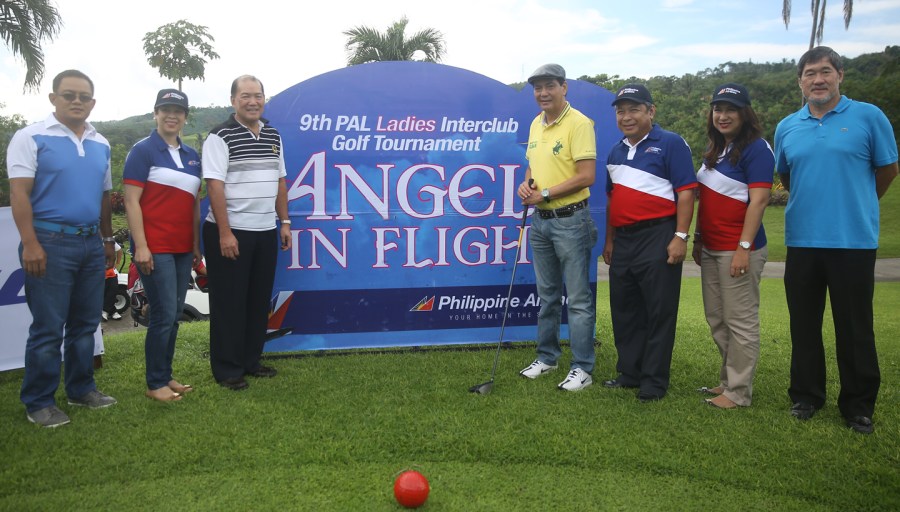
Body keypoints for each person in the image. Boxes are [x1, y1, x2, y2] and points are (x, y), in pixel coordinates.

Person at [774, 46, 898, 434]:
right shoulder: (788, 126)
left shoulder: (868, 117)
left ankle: (857, 405)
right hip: (803, 241)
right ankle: (806, 396)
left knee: (854, 326)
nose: (818, 79)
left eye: (825, 71)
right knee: (804, 324)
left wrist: (856, 202)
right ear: (800, 81)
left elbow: (888, 170)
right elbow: (787, 178)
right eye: (810, 73)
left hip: (853, 241)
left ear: (840, 75)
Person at [7, 69, 117, 427]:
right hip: (49, 242)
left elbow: (104, 197)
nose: (76, 101)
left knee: (86, 324)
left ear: (93, 102)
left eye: (84, 96)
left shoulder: (101, 143)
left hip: (89, 242)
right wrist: (30, 243)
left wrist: (107, 238)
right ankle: (39, 401)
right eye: (69, 95)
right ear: (53, 98)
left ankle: (81, 389)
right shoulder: (31, 137)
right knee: (49, 327)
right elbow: (19, 193)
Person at [602, 84, 697, 402]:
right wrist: (610, 240)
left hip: (658, 235)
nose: (626, 116)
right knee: (625, 308)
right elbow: (612, 198)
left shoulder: (670, 143)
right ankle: (629, 373)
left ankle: (653, 382)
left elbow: (686, 192)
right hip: (624, 239)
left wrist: (680, 236)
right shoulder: (615, 151)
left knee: (658, 310)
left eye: (634, 109)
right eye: (621, 111)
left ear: (650, 111)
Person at [202, 75, 292, 391]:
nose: (252, 101)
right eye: (245, 96)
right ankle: (227, 369)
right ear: (233, 101)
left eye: (258, 95)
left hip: (266, 230)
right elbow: (215, 185)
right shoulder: (219, 136)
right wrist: (225, 233)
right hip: (231, 232)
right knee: (230, 302)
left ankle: (251, 361)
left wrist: (285, 223)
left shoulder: (272, 135)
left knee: (256, 301)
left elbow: (280, 181)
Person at [516, 63, 599, 392]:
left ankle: (583, 367)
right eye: (538, 88)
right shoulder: (536, 124)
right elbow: (533, 170)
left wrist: (545, 194)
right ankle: (548, 357)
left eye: (549, 86)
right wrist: (527, 188)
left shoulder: (579, 123)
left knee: (577, 299)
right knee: (547, 296)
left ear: (564, 87)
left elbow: (587, 175)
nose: (543, 93)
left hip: (571, 220)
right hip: (541, 222)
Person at [692, 83, 773, 409]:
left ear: (744, 114)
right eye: (718, 109)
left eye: (730, 110)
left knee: (740, 321)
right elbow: (706, 202)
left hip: (738, 249)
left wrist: (743, 246)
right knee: (718, 318)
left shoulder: (757, 148)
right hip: (711, 247)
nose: (723, 116)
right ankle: (727, 381)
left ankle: (739, 393)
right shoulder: (717, 149)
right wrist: (698, 238)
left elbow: (760, 200)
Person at [124, 89, 202, 402]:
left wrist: (196, 244)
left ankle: (165, 375)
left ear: (185, 116)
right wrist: (140, 246)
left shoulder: (192, 154)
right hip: (154, 246)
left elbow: (193, 203)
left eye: (178, 111)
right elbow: (131, 201)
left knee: (174, 314)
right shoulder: (142, 151)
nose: (172, 116)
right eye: (166, 109)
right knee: (164, 313)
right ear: (155, 113)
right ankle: (155, 382)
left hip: (183, 247)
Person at [102, 241, 124, 321]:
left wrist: (117, 263)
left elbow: (119, 250)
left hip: (110, 272)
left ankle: (105, 311)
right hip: (98, 272)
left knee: (113, 289)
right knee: (103, 291)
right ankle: (112, 311)